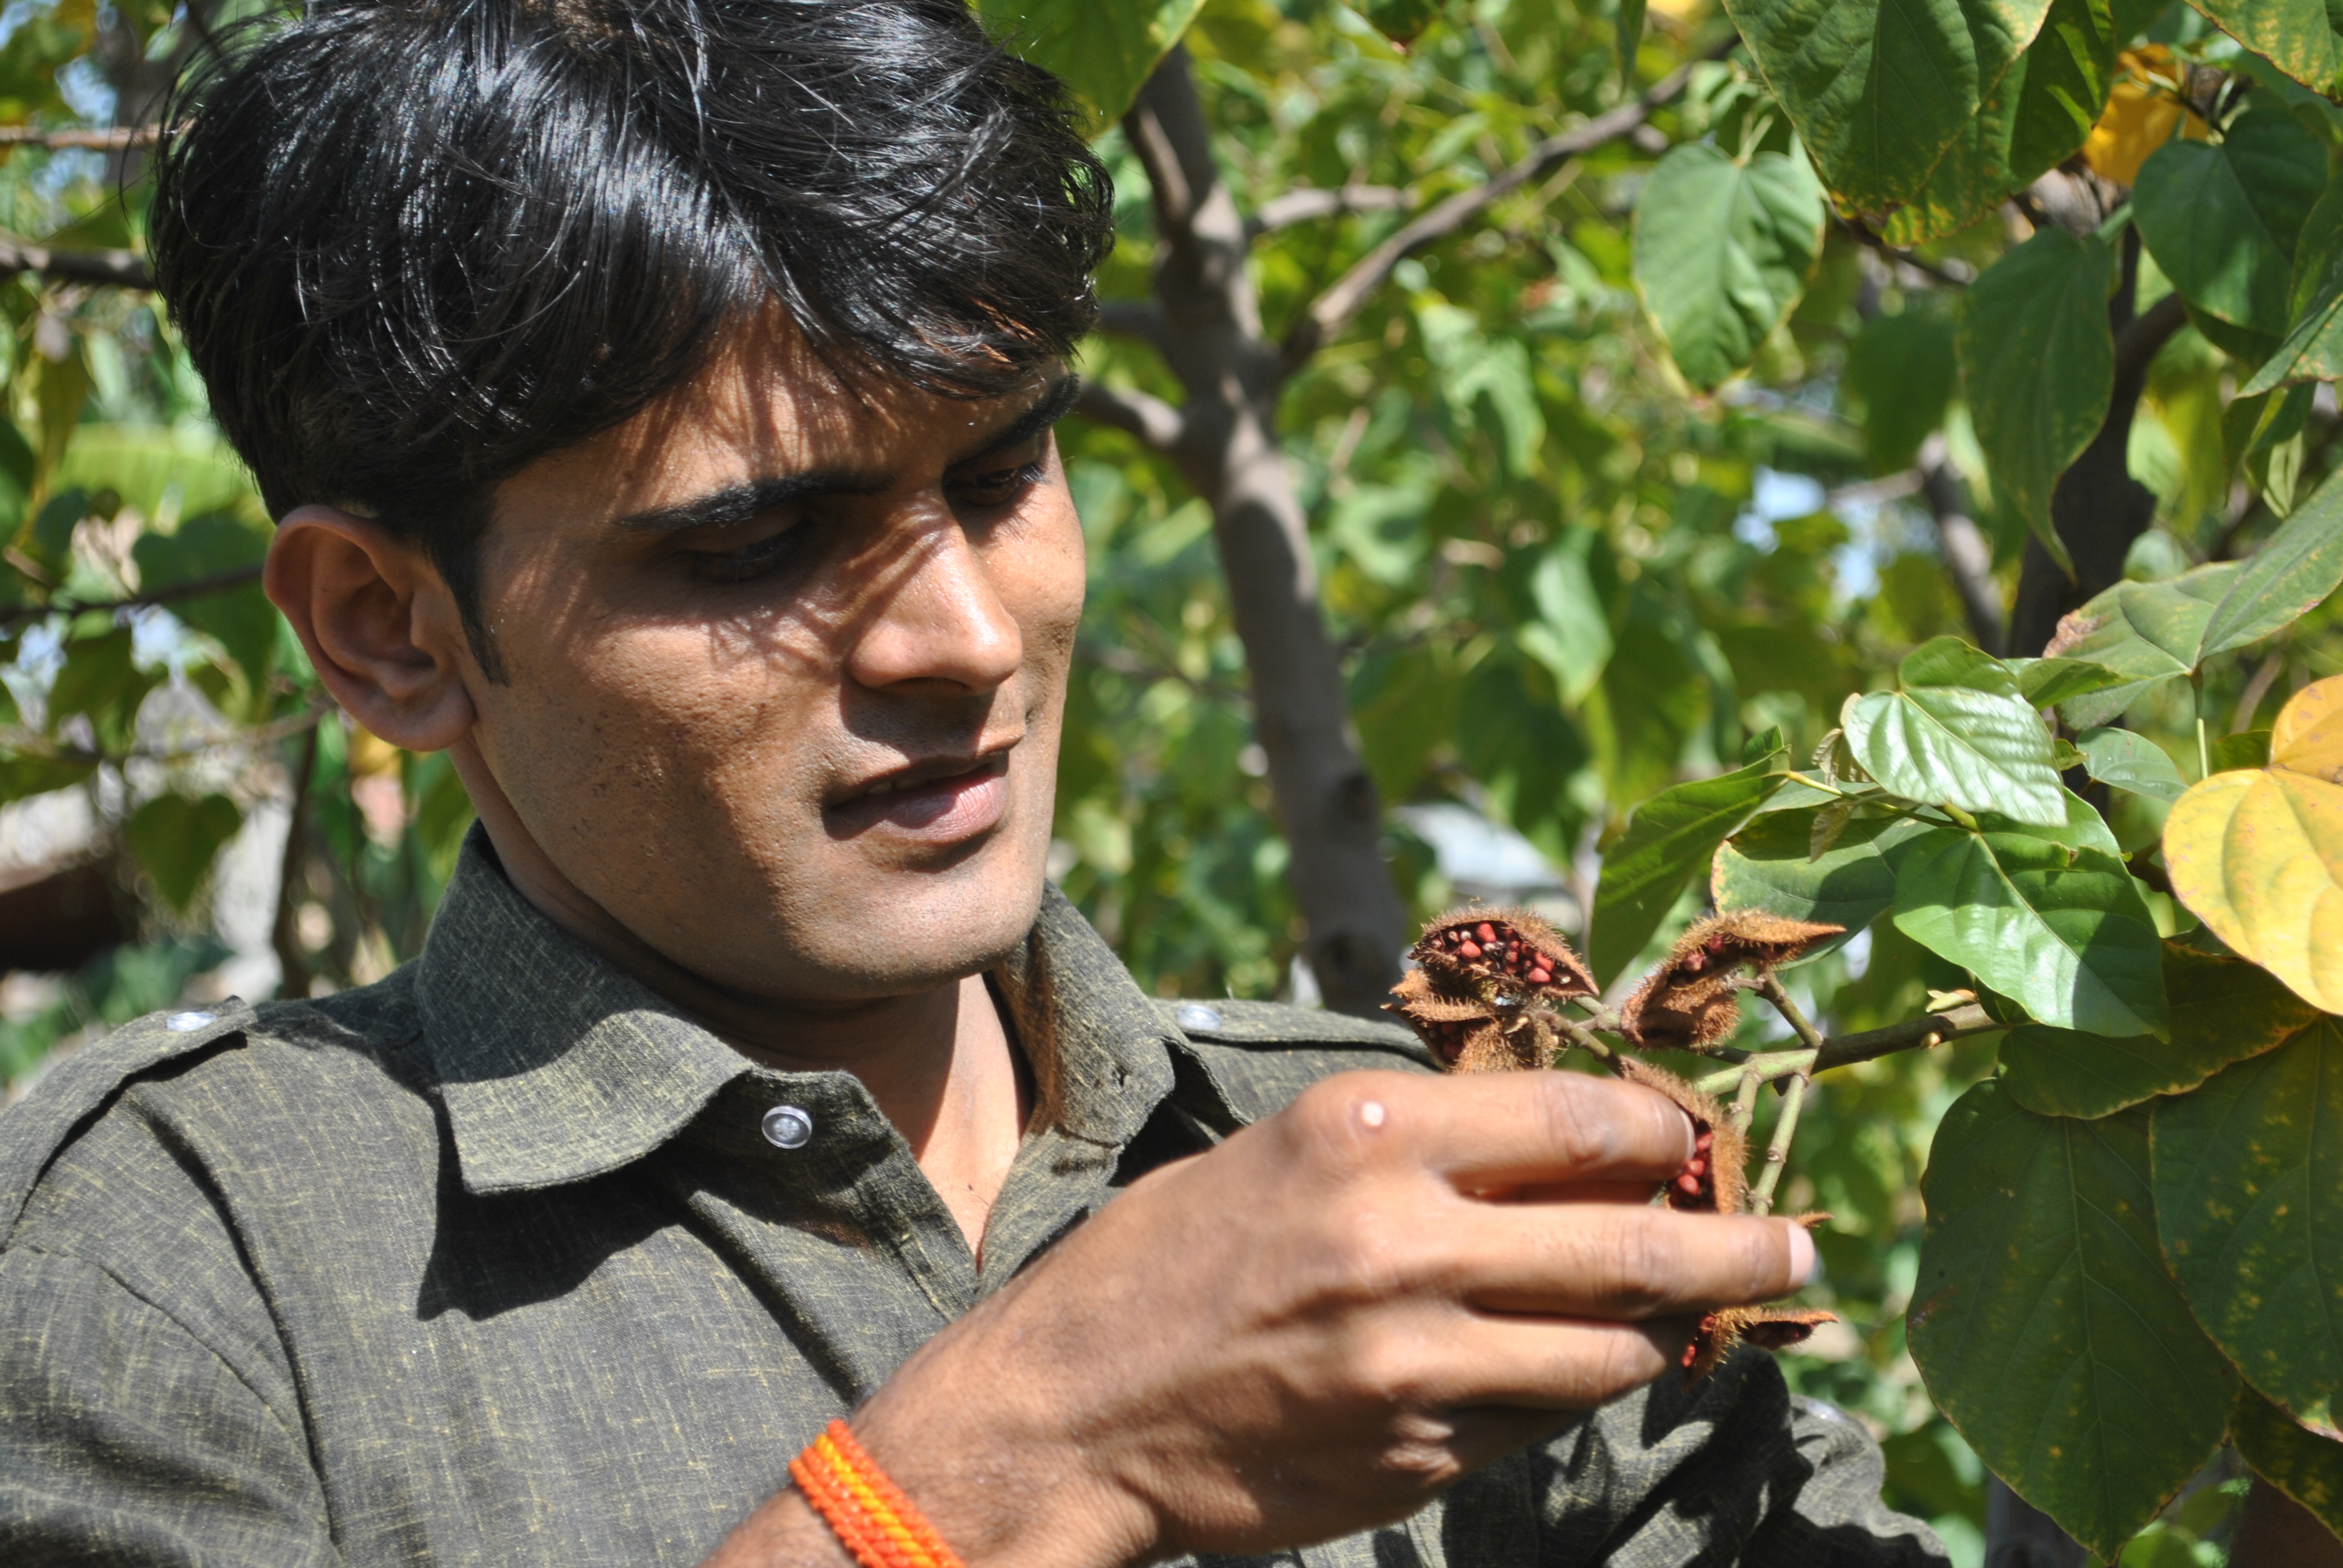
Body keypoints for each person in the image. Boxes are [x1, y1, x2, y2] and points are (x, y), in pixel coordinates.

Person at [0, 3, 1945, 1564]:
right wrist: (1019, 1464)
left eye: (1005, 472)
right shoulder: (189, 1263)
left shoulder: (1394, 1169)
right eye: (758, 544)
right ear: (388, 630)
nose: (967, 635)